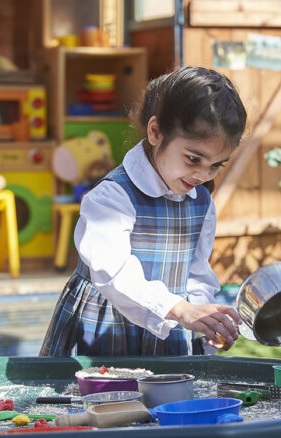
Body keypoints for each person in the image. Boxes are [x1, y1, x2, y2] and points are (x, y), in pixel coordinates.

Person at [40, 67, 247, 356]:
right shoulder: (112, 196)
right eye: (192, 159)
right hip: (102, 330)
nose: (202, 174)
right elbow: (112, 273)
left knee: (164, 399)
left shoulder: (200, 202)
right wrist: (178, 308)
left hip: (168, 330)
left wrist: (203, 320)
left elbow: (197, 271)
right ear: (155, 132)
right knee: (101, 399)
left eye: (215, 165)